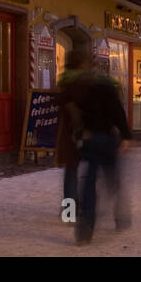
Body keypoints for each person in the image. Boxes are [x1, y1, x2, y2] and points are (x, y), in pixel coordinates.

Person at [68, 65, 132, 244]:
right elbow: (118, 113)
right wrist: (126, 136)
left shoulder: (84, 92)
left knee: (89, 180)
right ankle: (120, 216)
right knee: (113, 179)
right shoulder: (109, 91)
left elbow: (77, 116)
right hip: (107, 139)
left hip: (90, 139)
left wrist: (78, 135)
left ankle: (86, 224)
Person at [55, 49, 89, 219]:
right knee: (89, 171)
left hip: (67, 132)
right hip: (84, 131)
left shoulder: (64, 81)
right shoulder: (84, 82)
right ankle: (81, 207)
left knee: (71, 171)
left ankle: (69, 212)